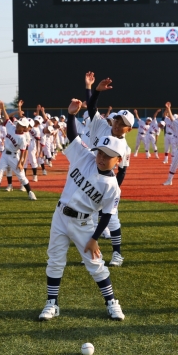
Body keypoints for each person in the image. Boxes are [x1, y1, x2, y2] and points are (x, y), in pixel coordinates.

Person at [39, 97, 126, 322]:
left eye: (108, 156)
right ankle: (52, 303)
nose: (101, 157)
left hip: (84, 223)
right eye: (100, 152)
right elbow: (72, 136)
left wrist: (95, 238)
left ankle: (111, 303)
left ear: (118, 160)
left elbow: (107, 215)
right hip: (60, 216)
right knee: (55, 260)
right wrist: (70, 115)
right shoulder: (85, 157)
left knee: (95, 265)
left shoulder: (112, 187)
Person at [84, 73, 134, 266]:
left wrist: (115, 189)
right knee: (87, 216)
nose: (119, 125)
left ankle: (117, 254)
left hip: (107, 182)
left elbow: (122, 171)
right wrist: (92, 89)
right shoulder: (101, 126)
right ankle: (90, 253)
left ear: (129, 130)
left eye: (124, 125)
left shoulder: (125, 149)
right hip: (88, 173)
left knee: (111, 219)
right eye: (118, 121)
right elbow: (91, 107)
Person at [0, 101, 37, 201]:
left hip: (13, 156)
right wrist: (3, 107)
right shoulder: (11, 127)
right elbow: (7, 118)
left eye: (20, 125)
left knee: (21, 176)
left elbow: (23, 151)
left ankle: (30, 192)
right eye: (18, 123)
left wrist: (21, 163)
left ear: (24, 128)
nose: (18, 125)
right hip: (4, 154)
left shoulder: (23, 138)